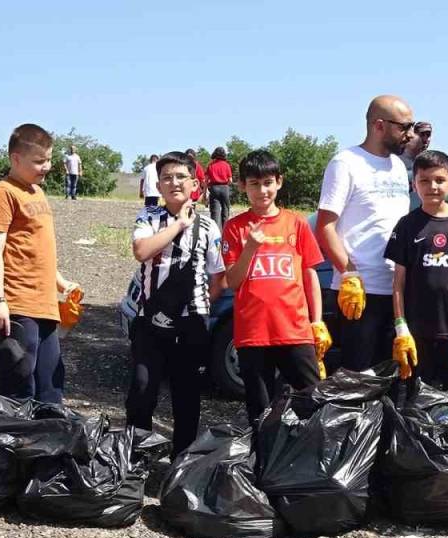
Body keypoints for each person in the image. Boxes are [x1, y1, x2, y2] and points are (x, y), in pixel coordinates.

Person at [126, 152, 226, 453]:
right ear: (158, 183)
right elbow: (142, 251)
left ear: (194, 183)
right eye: (167, 177)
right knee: (143, 389)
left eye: (180, 177)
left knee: (187, 396)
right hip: (149, 319)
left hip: (191, 322)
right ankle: (134, 460)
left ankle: (181, 462)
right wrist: (179, 225)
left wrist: (199, 306)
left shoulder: (209, 226)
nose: (174, 183)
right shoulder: (149, 217)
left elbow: (218, 278)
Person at [224, 150, 329, 426]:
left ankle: (310, 464)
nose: (263, 190)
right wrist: (250, 248)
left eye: (268, 182)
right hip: (253, 334)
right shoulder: (235, 228)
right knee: (260, 413)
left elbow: (310, 275)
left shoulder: (296, 222)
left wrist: (316, 322)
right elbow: (233, 281)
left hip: (294, 331)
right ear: (242, 186)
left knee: (314, 403)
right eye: (254, 184)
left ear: (279, 182)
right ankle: (264, 465)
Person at [0, 123, 79, 404]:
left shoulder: (37, 192)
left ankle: (46, 441)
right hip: (16, 299)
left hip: (43, 301)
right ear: (15, 159)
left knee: (50, 383)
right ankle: (13, 442)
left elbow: (36, 247)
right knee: (19, 376)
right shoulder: (3, 192)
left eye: (48, 159)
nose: (46, 166)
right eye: (38, 161)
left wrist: (60, 281)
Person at [315, 94, 415, 371]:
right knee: (361, 377)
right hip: (360, 293)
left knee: (394, 375)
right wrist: (348, 273)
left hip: (396, 290)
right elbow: (325, 226)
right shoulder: (346, 163)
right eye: (404, 126)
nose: (410, 134)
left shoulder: (398, 167)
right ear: (379, 125)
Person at [384, 150, 448, 389]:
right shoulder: (407, 225)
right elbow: (398, 283)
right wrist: (401, 327)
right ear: (414, 185)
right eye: (424, 180)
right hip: (417, 335)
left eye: (439, 180)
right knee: (416, 403)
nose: (432, 186)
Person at [206, 146, 234, 229]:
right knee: (225, 210)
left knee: (215, 211)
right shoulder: (226, 165)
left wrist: (205, 192)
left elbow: (206, 180)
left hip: (214, 188)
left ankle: (215, 231)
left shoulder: (211, 165)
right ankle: (225, 230)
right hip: (224, 187)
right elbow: (230, 180)